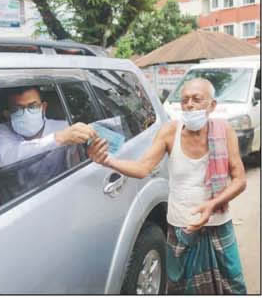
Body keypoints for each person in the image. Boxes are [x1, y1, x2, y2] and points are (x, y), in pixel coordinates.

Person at [87, 78, 247, 294]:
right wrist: (107, 160)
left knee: (232, 286)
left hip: (218, 224)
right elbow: (143, 168)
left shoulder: (224, 130)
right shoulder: (170, 132)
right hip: (181, 227)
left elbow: (240, 179)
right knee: (182, 287)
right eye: (184, 100)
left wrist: (212, 205)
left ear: (212, 106)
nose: (189, 104)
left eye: (197, 99)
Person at [0, 86, 98, 168]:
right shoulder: (2, 131)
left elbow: (76, 164)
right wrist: (58, 139)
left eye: (32, 106)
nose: (26, 113)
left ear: (43, 108)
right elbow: (6, 159)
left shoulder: (64, 127)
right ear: (7, 114)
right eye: (18, 109)